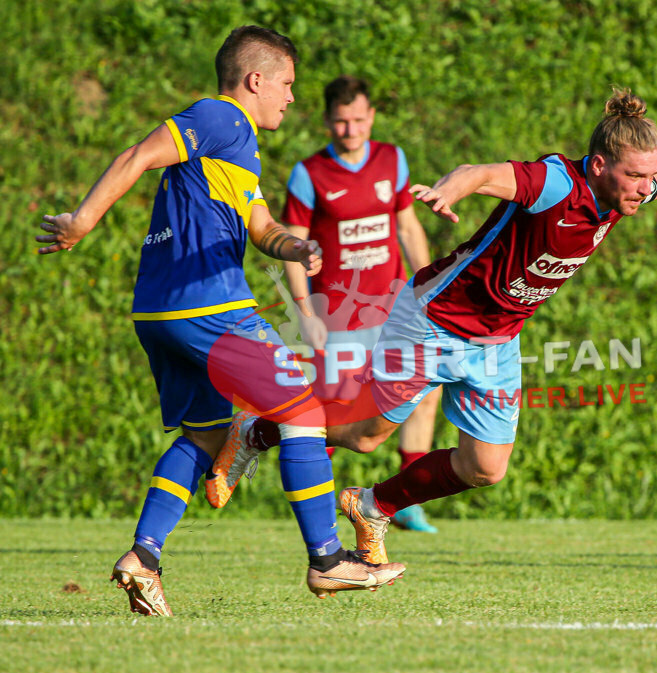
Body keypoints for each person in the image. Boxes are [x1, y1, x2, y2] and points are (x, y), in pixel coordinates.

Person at [214, 88, 657, 566]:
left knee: (485, 466)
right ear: (599, 165)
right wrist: (454, 188)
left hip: (497, 337)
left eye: (650, 175)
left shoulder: (628, 190)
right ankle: (257, 429)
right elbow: (485, 174)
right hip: (434, 320)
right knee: (364, 435)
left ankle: (372, 506)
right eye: (636, 176)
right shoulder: (556, 183)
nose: (647, 188)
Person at [35, 26, 403, 616]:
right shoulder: (218, 118)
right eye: (286, 84)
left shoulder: (239, 149)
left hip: (161, 314)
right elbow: (138, 154)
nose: (290, 97)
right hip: (209, 309)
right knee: (303, 410)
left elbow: (260, 228)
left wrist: (295, 248)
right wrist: (82, 220)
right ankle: (328, 559)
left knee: (206, 435)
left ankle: (144, 559)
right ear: (255, 80)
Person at [206, 76, 441, 534]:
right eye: (340, 122)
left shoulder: (392, 160)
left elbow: (408, 227)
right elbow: (293, 242)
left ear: (371, 116)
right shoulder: (309, 174)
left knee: (424, 391)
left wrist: (429, 287)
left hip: (394, 311)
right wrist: (305, 313)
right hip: (338, 317)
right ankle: (319, 512)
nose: (350, 130)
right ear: (328, 122)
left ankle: (405, 499)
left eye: (357, 120)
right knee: (334, 415)